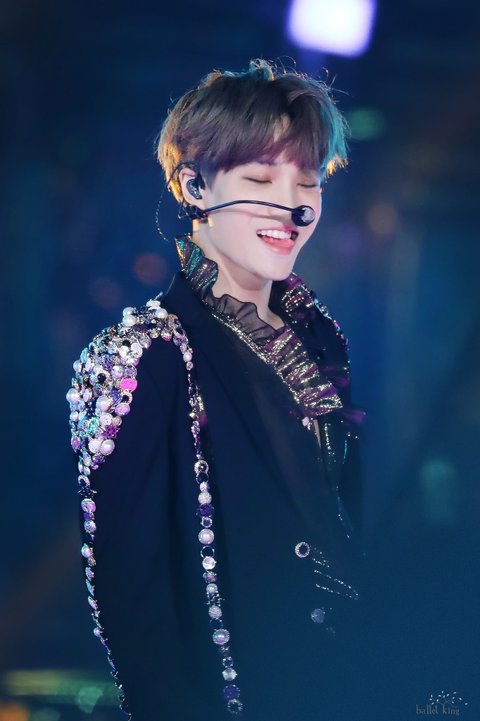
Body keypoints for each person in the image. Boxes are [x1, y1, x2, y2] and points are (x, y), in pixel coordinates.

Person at [67, 58, 368, 721]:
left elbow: (348, 524)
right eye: (260, 179)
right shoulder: (143, 355)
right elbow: (132, 598)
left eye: (309, 182)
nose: (293, 206)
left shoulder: (321, 340)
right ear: (194, 184)